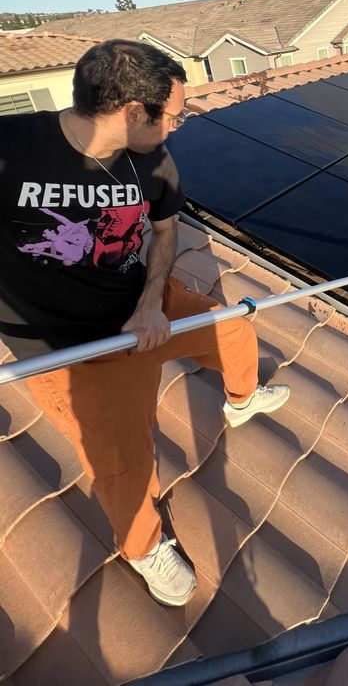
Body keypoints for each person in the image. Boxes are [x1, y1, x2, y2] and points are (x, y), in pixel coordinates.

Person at [0, 39, 289, 606]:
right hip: (69, 349)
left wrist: (152, 300)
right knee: (126, 463)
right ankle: (141, 547)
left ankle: (240, 399)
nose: (177, 125)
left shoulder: (153, 158)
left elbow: (162, 230)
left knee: (234, 327)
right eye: (174, 114)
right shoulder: (12, 147)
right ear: (134, 112)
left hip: (143, 306)